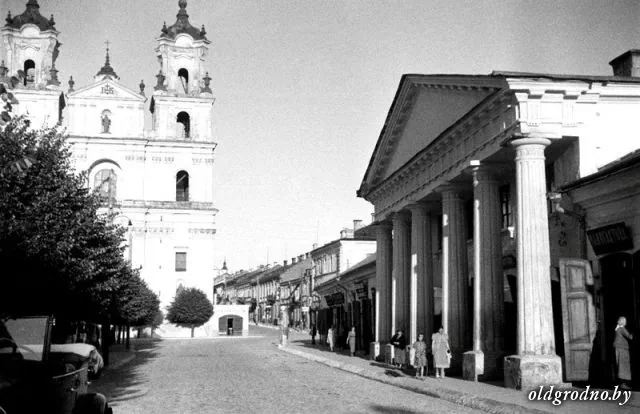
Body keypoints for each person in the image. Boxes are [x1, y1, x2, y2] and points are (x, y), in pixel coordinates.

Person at [614, 316, 634, 390]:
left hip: (618, 348)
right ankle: (623, 384)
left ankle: (620, 383)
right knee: (623, 366)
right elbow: (630, 337)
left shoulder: (617, 328)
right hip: (622, 349)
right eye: (625, 321)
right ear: (622, 322)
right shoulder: (622, 328)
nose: (626, 322)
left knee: (620, 365)